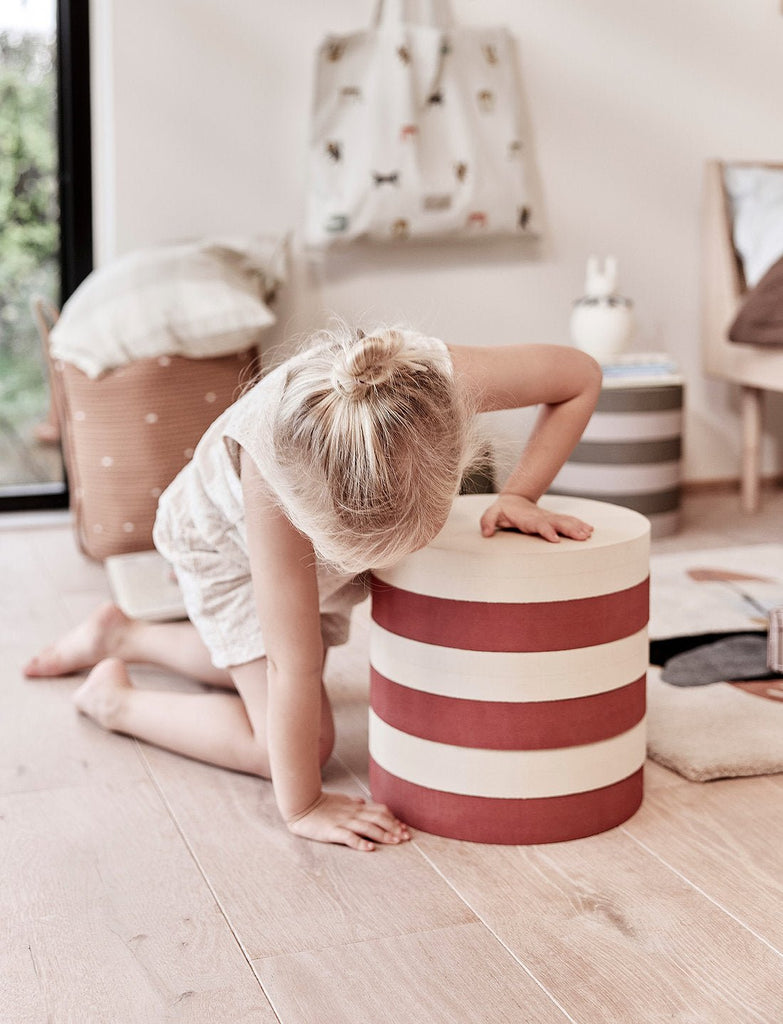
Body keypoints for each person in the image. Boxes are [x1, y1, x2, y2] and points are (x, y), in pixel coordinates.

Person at [24, 324, 602, 852]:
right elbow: (289, 665)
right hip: (223, 545)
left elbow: (580, 378)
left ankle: (124, 635)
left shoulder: (427, 384)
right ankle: (114, 701)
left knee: (283, 667)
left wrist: (520, 494)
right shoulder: (273, 474)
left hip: (292, 523)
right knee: (293, 744)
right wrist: (303, 806)